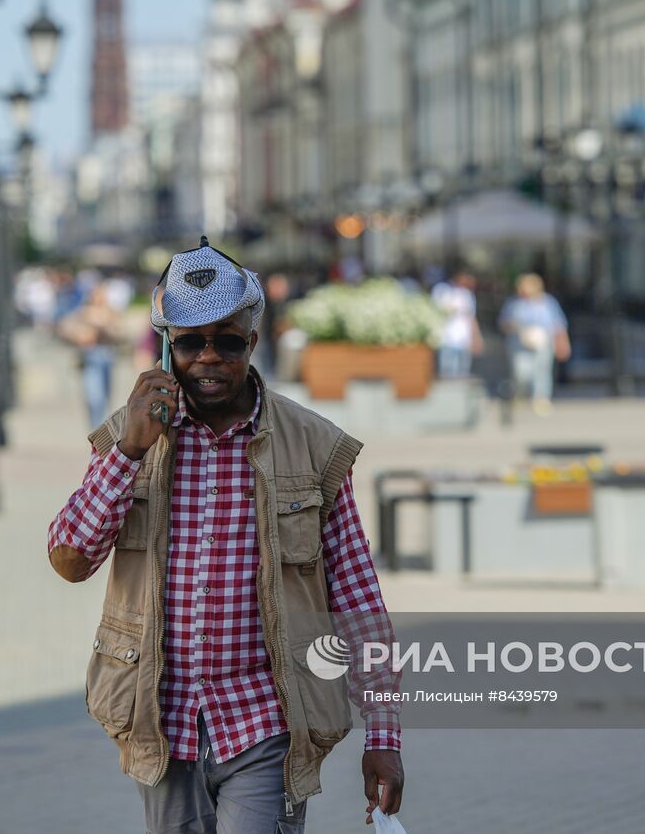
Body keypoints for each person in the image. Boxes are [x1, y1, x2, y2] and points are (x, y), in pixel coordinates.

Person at [47, 237, 404, 834]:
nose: (208, 358)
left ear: (252, 343)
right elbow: (70, 558)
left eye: (227, 342)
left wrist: (384, 734)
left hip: (267, 719)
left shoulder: (313, 445)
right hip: (162, 722)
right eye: (189, 342)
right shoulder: (132, 437)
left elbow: (358, 600)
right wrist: (129, 450)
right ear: (165, 346)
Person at [499, 274, 572, 415]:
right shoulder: (514, 304)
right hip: (519, 342)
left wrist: (563, 343)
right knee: (521, 372)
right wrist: (518, 328)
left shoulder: (548, 302)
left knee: (542, 371)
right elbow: (504, 323)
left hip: (544, 341)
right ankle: (520, 394)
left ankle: (541, 399)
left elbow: (558, 324)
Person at [59, 281, 123, 428]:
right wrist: (80, 334)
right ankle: (97, 427)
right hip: (90, 356)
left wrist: (103, 327)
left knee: (106, 396)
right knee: (94, 397)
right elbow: (64, 327)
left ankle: (102, 427)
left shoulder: (110, 312)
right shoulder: (83, 312)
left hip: (107, 355)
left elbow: (120, 334)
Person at [432, 271, 482, 377]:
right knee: (447, 370)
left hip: (464, 338)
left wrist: (476, 337)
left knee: (462, 371)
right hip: (447, 337)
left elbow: (471, 317)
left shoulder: (467, 295)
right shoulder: (442, 290)